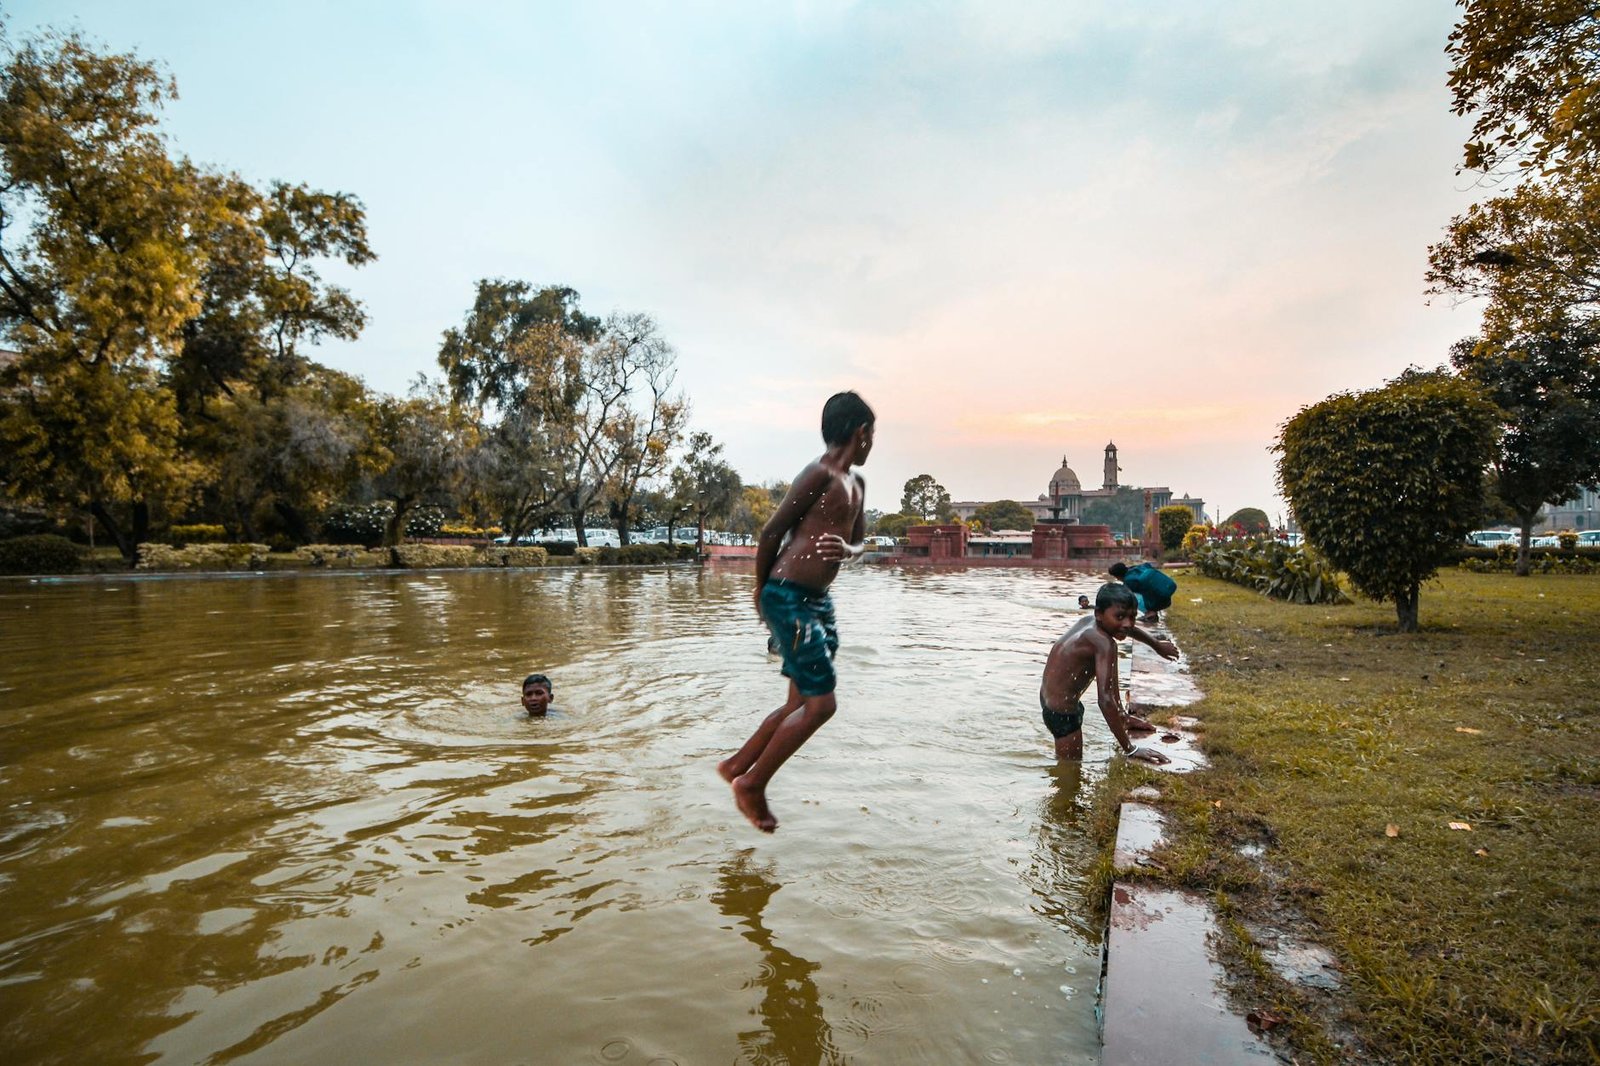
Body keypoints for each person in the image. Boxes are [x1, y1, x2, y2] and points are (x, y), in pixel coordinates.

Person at [718, 391, 875, 832]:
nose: (872, 443)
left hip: (818, 603)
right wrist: (759, 589)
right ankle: (752, 784)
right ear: (860, 433)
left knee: (800, 702)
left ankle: (737, 764)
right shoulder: (819, 474)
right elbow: (772, 531)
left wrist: (848, 548)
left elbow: (858, 545)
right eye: (871, 434)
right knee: (822, 705)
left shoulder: (857, 486)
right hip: (786, 594)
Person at [1039, 583, 1179, 763]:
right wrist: (1130, 749)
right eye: (1120, 616)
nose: (1127, 624)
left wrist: (1157, 645)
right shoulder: (1104, 643)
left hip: (1049, 698)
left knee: (1110, 668)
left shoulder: (1090, 623)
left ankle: (1122, 717)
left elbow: (1129, 630)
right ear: (1099, 613)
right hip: (1062, 713)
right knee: (1070, 768)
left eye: (1133, 616)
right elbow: (1105, 700)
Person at [1109, 560, 1177, 624]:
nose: (1117, 579)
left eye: (1116, 577)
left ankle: (1151, 615)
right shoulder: (1137, 568)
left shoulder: (1129, 581)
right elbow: (1148, 565)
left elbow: (1126, 598)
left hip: (1159, 602)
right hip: (1167, 596)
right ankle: (1152, 613)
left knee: (1132, 598)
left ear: (1118, 576)